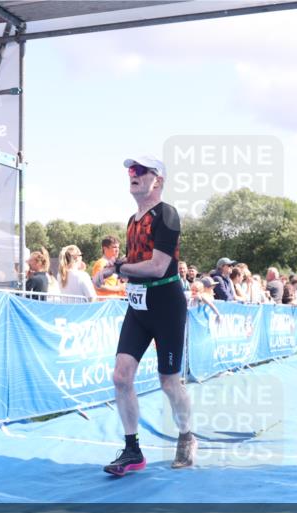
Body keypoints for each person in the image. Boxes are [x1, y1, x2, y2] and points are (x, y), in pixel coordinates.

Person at [93, 155, 196, 475]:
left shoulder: (167, 214)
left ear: (158, 180)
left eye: (140, 171)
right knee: (121, 377)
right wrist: (113, 268)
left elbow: (158, 266)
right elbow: (136, 261)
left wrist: (119, 268)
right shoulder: (132, 220)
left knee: (168, 381)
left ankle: (186, 435)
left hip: (166, 305)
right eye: (130, 171)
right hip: (138, 307)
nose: (132, 175)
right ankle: (132, 450)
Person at [90, 235, 126, 299]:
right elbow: (97, 286)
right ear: (105, 248)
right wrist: (119, 288)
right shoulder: (101, 263)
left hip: (116, 302)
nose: (117, 250)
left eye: (118, 247)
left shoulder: (114, 264)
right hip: (106, 304)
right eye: (114, 247)